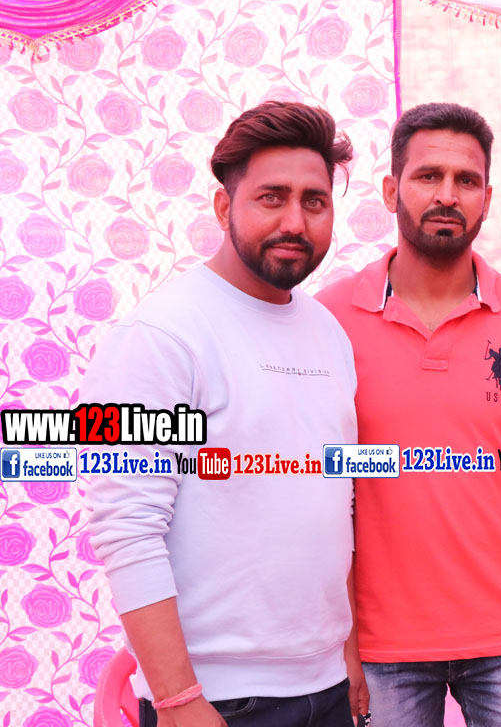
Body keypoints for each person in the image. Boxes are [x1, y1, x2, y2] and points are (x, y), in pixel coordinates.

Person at [82, 102, 366, 727]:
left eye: (314, 202)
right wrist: (180, 700)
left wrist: (345, 659)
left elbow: (334, 501)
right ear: (222, 206)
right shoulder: (160, 335)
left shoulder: (329, 333)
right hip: (216, 701)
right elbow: (127, 529)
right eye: (271, 197)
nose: (295, 221)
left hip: (327, 688)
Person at [316, 103, 501, 727]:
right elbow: (321, 490)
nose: (447, 194)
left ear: (487, 199)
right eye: (428, 176)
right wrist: (341, 644)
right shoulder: (328, 320)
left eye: (466, 180)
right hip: (379, 647)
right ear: (392, 190)